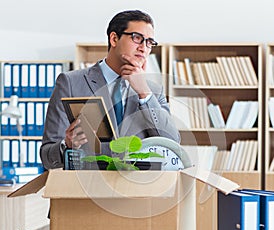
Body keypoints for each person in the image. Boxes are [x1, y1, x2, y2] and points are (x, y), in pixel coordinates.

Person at [40, 10, 180, 170]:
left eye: (149, 42)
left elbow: (172, 144)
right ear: (114, 39)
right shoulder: (71, 83)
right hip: (88, 190)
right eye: (137, 38)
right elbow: (47, 157)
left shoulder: (152, 91)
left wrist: (144, 94)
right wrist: (67, 145)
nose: (143, 48)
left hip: (139, 190)